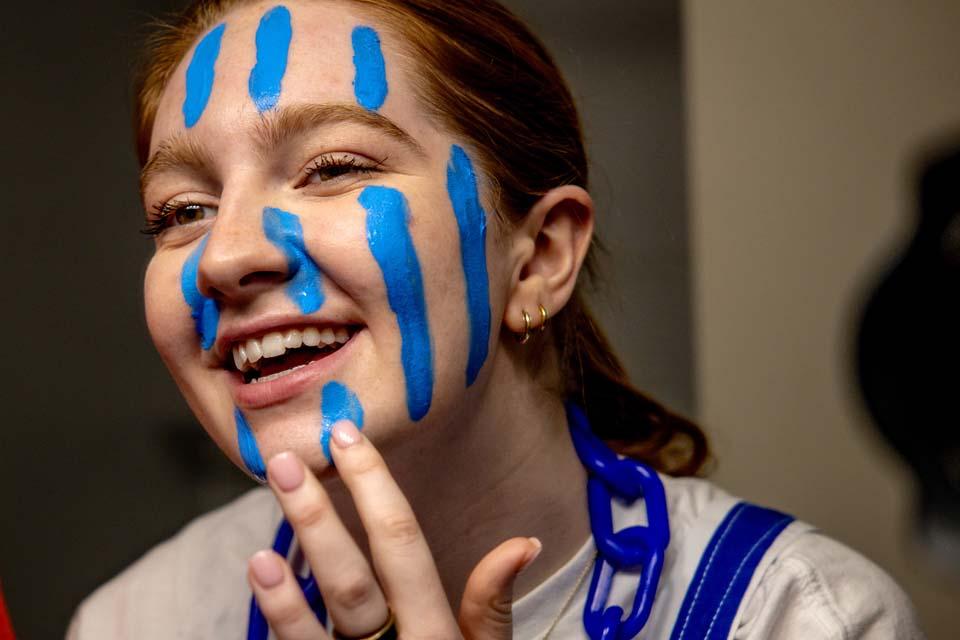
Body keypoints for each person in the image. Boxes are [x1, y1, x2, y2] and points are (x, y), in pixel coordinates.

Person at [68, 0, 925, 638]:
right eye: (180, 211)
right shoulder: (135, 621)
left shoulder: (805, 618)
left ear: (541, 254)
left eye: (331, 167)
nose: (223, 255)